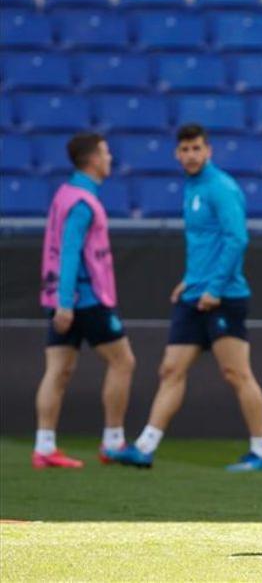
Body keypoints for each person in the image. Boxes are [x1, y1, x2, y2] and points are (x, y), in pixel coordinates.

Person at [113, 125, 262, 472]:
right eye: (184, 149)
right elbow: (206, 242)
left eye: (196, 149)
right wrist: (189, 281)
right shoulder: (192, 188)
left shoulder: (220, 188)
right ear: (176, 153)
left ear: (209, 151)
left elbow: (236, 240)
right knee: (170, 370)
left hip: (223, 296)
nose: (190, 155)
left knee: (236, 373)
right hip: (194, 296)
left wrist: (214, 288)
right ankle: (145, 447)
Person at [33, 133, 138, 469]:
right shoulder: (82, 202)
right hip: (86, 298)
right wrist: (67, 302)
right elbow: (70, 252)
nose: (110, 159)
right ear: (93, 159)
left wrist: (59, 301)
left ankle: (45, 446)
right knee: (123, 362)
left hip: (60, 296)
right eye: (106, 153)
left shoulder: (65, 194)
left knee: (59, 370)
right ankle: (113, 441)